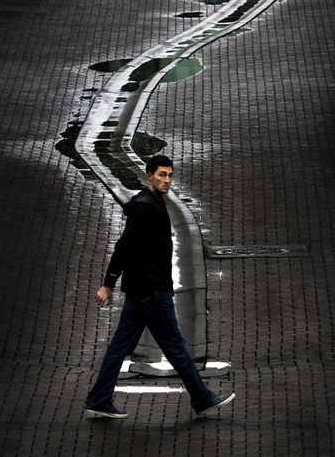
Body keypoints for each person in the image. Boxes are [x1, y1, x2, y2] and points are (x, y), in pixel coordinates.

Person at [86, 154, 235, 418]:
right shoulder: (146, 207)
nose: (167, 180)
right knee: (175, 346)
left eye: (169, 175)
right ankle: (202, 398)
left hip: (141, 291)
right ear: (149, 176)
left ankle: (98, 400)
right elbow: (124, 246)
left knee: (120, 347)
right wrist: (108, 284)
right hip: (152, 292)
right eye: (161, 175)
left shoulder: (152, 202)